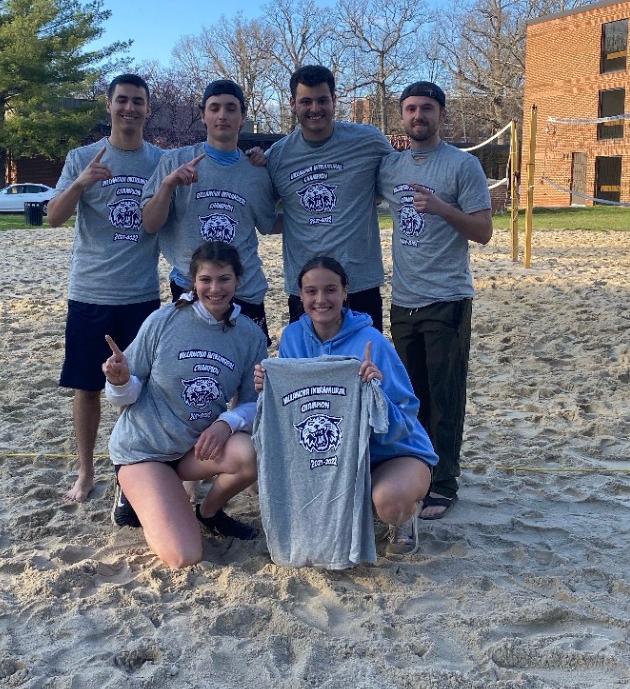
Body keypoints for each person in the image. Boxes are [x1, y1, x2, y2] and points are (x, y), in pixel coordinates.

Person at [256, 254, 436, 555]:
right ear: (300, 295)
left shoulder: (372, 342)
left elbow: (405, 416)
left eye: (330, 290)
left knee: (388, 503)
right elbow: (289, 412)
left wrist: (377, 392)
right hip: (335, 455)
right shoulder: (292, 339)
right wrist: (267, 388)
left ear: (344, 292)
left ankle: (405, 515)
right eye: (311, 291)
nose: (321, 299)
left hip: (390, 453)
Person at [105, 242, 267, 569]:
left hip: (194, 450)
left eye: (224, 279)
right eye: (206, 280)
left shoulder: (250, 335)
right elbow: (124, 396)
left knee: (249, 452)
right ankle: (133, 489)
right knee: (184, 556)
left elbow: (254, 405)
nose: (215, 288)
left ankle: (207, 512)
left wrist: (226, 423)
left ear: (238, 281)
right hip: (146, 449)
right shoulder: (164, 321)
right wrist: (119, 381)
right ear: (193, 282)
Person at [378, 82, 493, 521]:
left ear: (442, 115)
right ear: (401, 117)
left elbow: (483, 232)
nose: (418, 116)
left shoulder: (463, 165)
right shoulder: (390, 167)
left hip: (447, 298)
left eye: (427, 108)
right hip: (403, 299)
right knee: (411, 397)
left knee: (446, 397)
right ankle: (419, 473)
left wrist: (443, 208)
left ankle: (444, 483)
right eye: (410, 109)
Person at [49, 73, 163, 504]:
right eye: (122, 101)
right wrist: (81, 183)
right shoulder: (82, 157)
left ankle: (133, 471)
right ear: (109, 105)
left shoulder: (159, 159)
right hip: (90, 292)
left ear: (147, 109)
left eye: (138, 102)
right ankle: (84, 472)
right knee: (87, 385)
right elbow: (54, 217)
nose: (129, 108)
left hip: (141, 294)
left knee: (138, 389)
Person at [140, 79, 276, 338]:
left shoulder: (256, 172)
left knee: (247, 371)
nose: (222, 115)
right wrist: (168, 185)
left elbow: (267, 224)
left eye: (230, 108)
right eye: (214, 108)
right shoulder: (174, 161)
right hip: (192, 287)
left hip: (245, 289)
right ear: (202, 114)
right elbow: (149, 223)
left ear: (243, 116)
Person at [263, 65, 393, 329]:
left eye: (322, 100)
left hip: (359, 283)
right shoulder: (277, 156)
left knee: (363, 367)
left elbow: (396, 182)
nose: (315, 109)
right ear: (292, 103)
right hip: (306, 288)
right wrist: (294, 221)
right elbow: (262, 216)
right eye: (306, 101)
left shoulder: (368, 141)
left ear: (334, 100)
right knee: (309, 368)